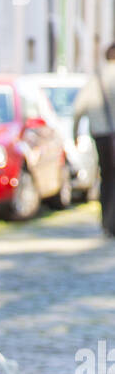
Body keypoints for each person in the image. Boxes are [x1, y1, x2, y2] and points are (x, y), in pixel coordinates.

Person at [73, 45, 115, 236]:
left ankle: (107, 221)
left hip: (102, 136)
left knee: (106, 177)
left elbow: (78, 109)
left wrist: (75, 133)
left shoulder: (96, 79)